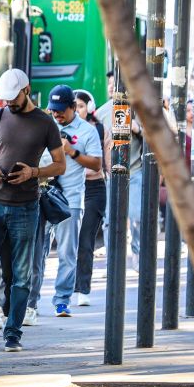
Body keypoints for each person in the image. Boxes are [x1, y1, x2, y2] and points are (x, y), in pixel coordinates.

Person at [0, 69, 65, 353]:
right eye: (6, 98)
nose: (9, 103)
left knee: (21, 274)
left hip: (26, 207)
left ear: (27, 90)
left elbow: (60, 165)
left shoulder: (45, 122)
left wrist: (34, 172)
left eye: (14, 97)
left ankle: (13, 330)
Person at [26, 86, 102, 321]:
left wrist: (72, 152)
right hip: (41, 195)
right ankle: (31, 303)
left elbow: (97, 165)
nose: (57, 115)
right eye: (53, 110)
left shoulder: (87, 131)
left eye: (61, 111)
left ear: (73, 107)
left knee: (67, 253)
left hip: (69, 199)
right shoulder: (45, 124)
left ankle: (62, 300)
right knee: (36, 253)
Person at [73, 89, 109, 306]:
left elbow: (100, 165)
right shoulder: (61, 131)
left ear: (90, 108)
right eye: (74, 106)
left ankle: (82, 288)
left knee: (86, 240)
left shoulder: (98, 129)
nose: (78, 110)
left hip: (93, 189)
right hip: (67, 189)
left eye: (81, 106)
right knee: (67, 243)